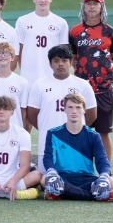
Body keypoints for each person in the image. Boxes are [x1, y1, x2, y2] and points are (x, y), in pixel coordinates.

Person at [69, 0, 113, 163]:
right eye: (88, 3)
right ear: (83, 7)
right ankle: (80, 168)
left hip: (103, 90)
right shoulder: (75, 32)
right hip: (81, 91)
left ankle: (105, 171)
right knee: (79, 130)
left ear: (101, 7)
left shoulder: (110, 32)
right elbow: (73, 59)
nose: (92, 7)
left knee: (103, 131)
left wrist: (105, 76)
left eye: (95, 3)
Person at [27, 45, 97, 173]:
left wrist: (76, 129)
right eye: (56, 61)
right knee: (47, 180)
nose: (60, 64)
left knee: (76, 178)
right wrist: (45, 128)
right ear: (50, 64)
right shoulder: (39, 84)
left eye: (64, 60)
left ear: (71, 63)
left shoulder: (83, 85)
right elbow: (32, 115)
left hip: (76, 143)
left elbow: (91, 114)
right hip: (47, 142)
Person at [42, 93, 113, 202]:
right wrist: (51, 171)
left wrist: (103, 175)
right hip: (63, 178)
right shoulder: (53, 133)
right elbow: (48, 157)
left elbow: (102, 160)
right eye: (70, 107)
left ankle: (62, 193)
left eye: (78, 107)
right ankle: (93, 195)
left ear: (84, 110)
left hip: (86, 177)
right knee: (44, 179)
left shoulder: (93, 135)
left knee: (111, 182)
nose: (74, 111)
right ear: (64, 109)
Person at [15, 0, 69, 86]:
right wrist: (25, 69)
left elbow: (63, 53)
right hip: (28, 77)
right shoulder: (22, 21)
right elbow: (19, 50)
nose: (42, 0)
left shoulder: (60, 23)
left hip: (52, 76)